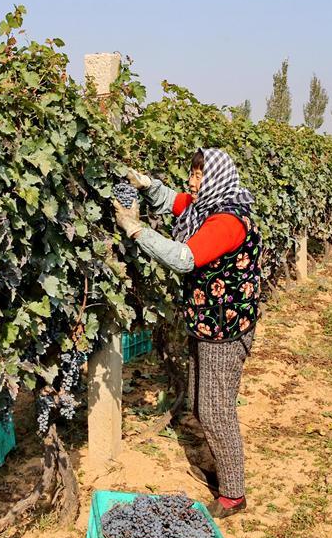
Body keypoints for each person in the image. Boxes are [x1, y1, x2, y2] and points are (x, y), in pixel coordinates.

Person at [112, 148, 261, 518]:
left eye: (198, 175)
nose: (192, 182)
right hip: (207, 322)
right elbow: (173, 201)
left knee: (215, 409)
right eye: (192, 173)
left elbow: (184, 259)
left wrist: (136, 230)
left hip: (225, 330)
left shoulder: (227, 221)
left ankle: (234, 494)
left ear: (216, 178)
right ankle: (222, 467)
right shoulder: (204, 206)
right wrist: (145, 184)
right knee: (199, 400)